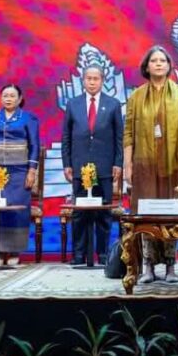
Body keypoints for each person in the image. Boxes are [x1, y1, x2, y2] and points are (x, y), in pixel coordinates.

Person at [124, 46, 178, 283]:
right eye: (154, 61)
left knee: (170, 214)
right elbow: (128, 133)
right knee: (147, 214)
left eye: (162, 60)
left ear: (169, 66)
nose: (158, 64)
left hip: (175, 164)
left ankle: (170, 266)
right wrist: (128, 165)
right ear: (146, 67)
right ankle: (148, 266)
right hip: (144, 165)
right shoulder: (136, 96)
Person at [62, 64, 124, 265]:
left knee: (103, 213)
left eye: (96, 79)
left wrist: (118, 163)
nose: (92, 82)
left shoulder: (113, 104)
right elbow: (66, 137)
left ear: (102, 81)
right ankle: (79, 254)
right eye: (88, 78)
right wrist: (67, 163)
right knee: (79, 213)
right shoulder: (73, 104)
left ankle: (103, 254)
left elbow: (119, 138)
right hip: (79, 166)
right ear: (83, 80)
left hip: (104, 166)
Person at [0, 83, 41, 266]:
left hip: (19, 172)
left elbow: (34, 145)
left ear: (19, 99)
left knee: (16, 211)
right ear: (0, 98)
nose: (8, 99)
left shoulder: (28, 118)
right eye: (5, 95)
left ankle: (13, 251)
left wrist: (32, 171)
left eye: (12, 96)